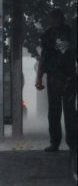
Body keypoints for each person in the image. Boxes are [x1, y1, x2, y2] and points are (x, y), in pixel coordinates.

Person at [35, 8, 77, 152]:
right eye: (52, 19)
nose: (54, 22)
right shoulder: (47, 34)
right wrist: (39, 77)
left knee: (70, 112)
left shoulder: (71, 33)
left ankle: (72, 142)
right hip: (54, 77)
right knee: (54, 112)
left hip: (69, 77)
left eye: (57, 18)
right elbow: (44, 56)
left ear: (62, 19)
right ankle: (55, 142)